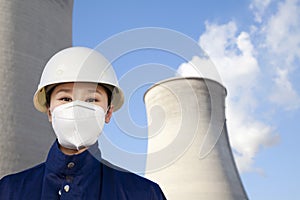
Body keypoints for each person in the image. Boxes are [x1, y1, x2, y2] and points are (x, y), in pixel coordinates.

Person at [0, 47, 166, 199]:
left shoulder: (144, 194)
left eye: (91, 99)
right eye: (65, 98)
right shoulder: (9, 190)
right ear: (49, 111)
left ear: (108, 112)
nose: (77, 108)